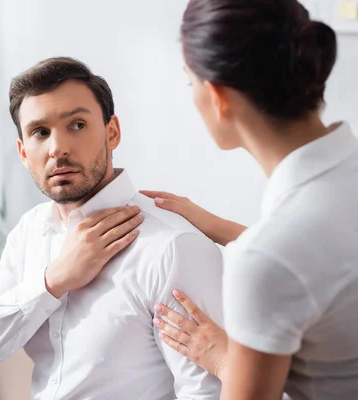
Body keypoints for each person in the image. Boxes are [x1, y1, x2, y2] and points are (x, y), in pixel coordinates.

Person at [0, 57, 224, 399]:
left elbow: (206, 393)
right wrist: (53, 282)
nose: (58, 149)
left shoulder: (171, 247)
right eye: (40, 132)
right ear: (23, 152)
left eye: (77, 125)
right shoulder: (32, 230)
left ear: (112, 132)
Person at [144, 1, 358, 399]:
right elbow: (327, 261)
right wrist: (220, 227)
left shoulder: (268, 258)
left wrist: (227, 361)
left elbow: (288, 259)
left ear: (219, 97)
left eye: (190, 81)